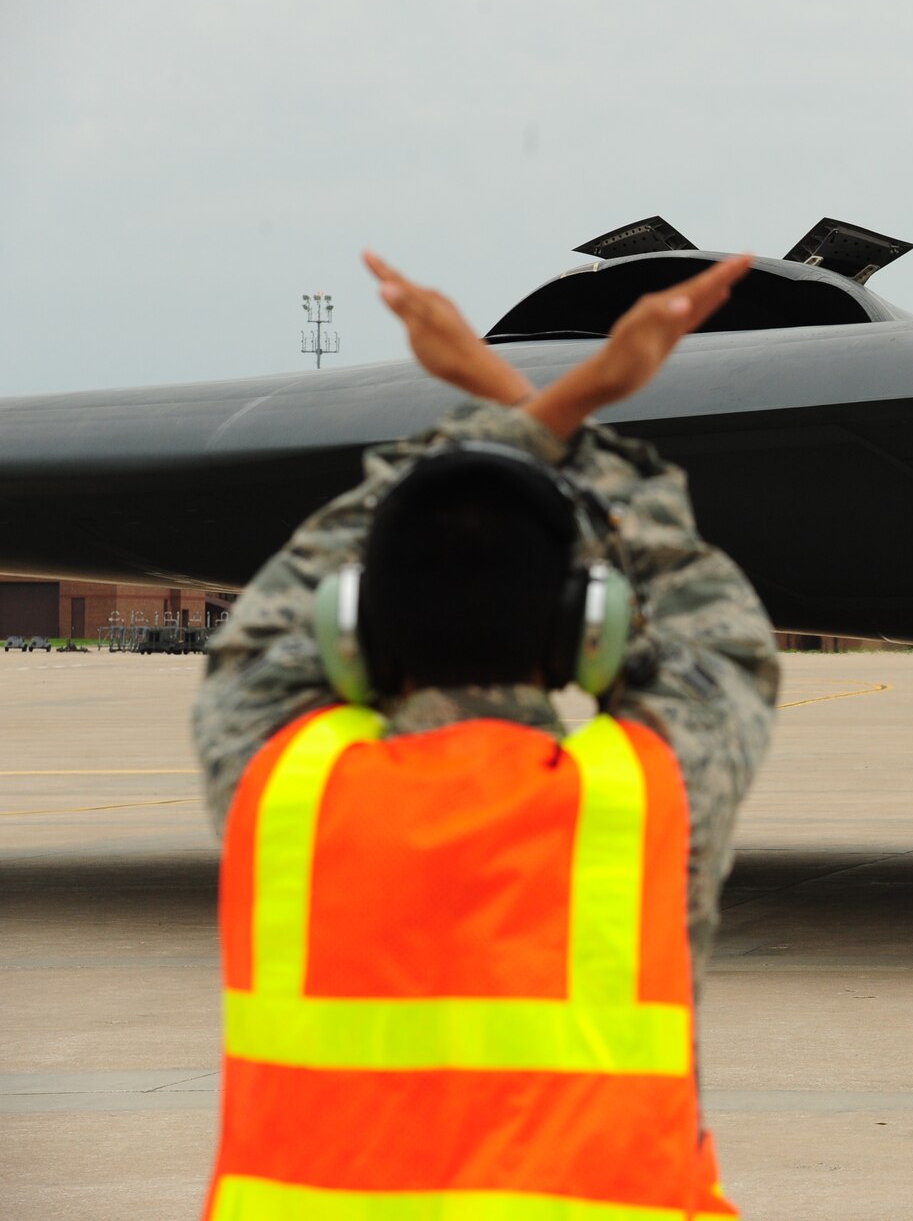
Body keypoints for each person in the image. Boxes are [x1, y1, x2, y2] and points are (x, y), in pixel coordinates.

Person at [191, 251, 777, 1219]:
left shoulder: (282, 787)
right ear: (586, 633)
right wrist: (560, 396)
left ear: (354, 627)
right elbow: (711, 622)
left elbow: (282, 611)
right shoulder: (639, 803)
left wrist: (515, 405)